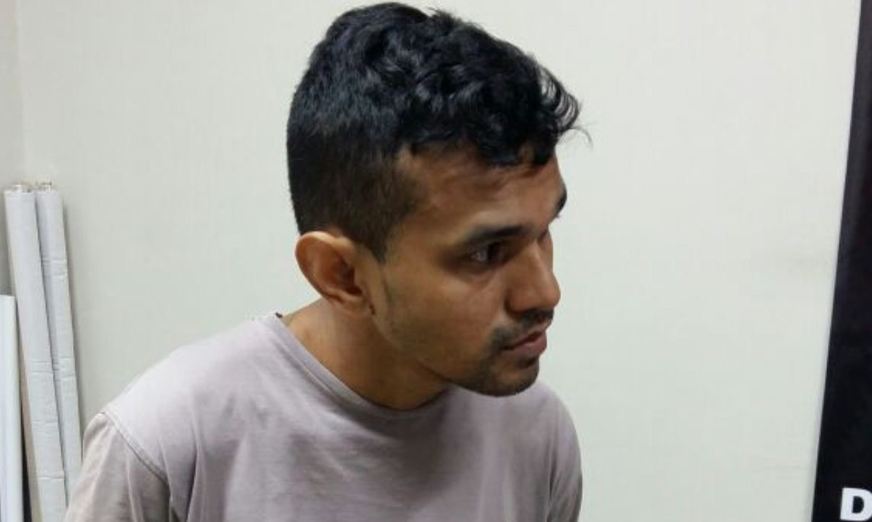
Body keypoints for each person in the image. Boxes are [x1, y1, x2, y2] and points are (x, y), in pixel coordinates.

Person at [65, 3, 582, 521]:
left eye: (544, 232)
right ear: (342, 276)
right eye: (485, 253)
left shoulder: (535, 433)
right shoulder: (168, 445)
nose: (544, 293)